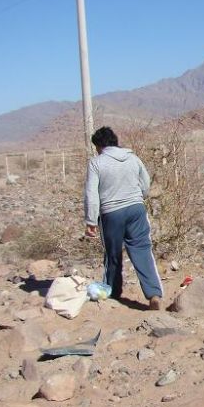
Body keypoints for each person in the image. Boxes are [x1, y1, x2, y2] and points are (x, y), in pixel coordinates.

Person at [83, 126, 163, 310]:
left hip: (111, 213)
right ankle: (154, 294)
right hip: (136, 209)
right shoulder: (133, 158)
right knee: (142, 250)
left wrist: (90, 221)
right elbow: (146, 183)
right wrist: (138, 197)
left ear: (100, 146)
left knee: (112, 254)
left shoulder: (96, 163)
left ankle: (113, 292)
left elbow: (91, 194)